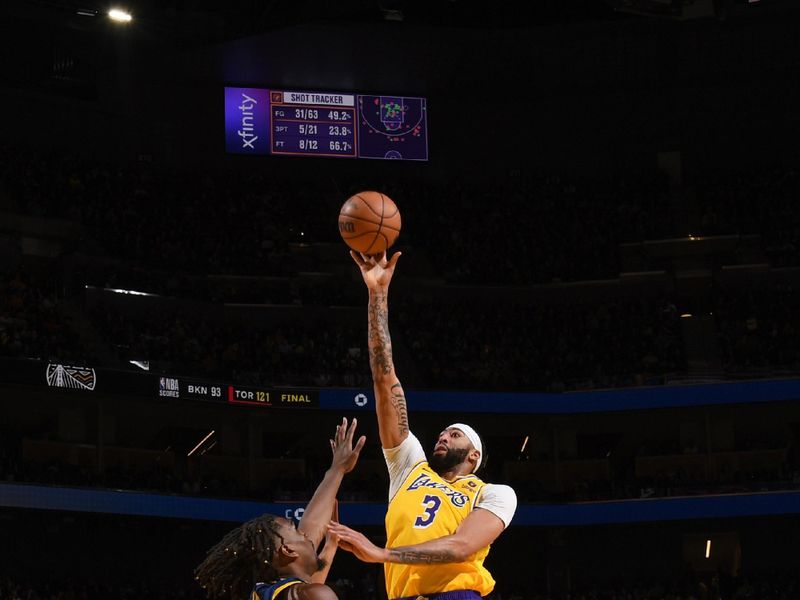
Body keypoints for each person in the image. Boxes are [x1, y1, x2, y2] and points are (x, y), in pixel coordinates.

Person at [329, 251, 517, 600]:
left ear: (474, 455)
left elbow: (462, 546)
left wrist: (382, 554)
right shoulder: (409, 467)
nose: (444, 435)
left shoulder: (493, 493)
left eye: (455, 434)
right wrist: (377, 294)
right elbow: (384, 379)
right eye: (444, 432)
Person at [195, 418, 366, 600]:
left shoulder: (266, 591)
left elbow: (312, 526)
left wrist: (337, 470)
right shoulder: (312, 594)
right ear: (288, 551)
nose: (306, 535)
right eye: (296, 531)